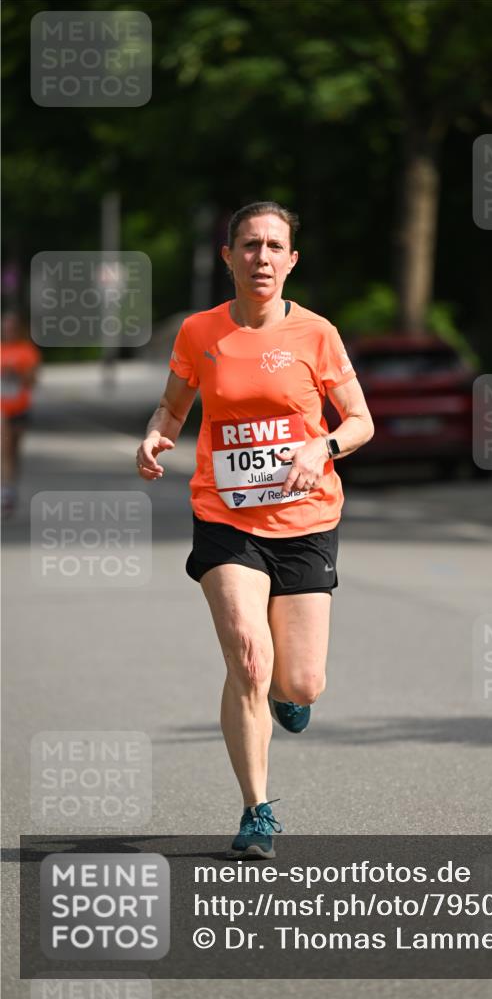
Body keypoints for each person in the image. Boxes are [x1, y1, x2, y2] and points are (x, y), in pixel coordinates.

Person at [136, 202, 374, 858]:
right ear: (229, 257)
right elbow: (173, 406)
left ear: (291, 260)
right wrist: (156, 435)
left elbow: (359, 420)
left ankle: (285, 694)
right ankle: (256, 809)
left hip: (305, 520)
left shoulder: (316, 334)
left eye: (273, 246)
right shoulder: (200, 332)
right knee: (247, 653)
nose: (261, 257)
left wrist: (321, 446)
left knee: (300, 683)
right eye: (249, 245)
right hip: (225, 516)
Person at [1, 309, 41, 518]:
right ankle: (6, 493)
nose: (9, 331)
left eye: (12, 327)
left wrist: (17, 373)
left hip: (21, 408)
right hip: (2, 409)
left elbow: (32, 381)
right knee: (5, 449)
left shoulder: (27, 351)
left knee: (13, 451)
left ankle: (10, 488)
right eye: (6, 327)